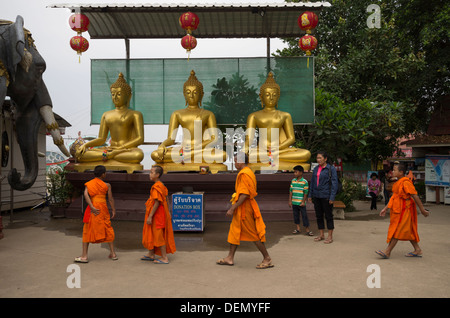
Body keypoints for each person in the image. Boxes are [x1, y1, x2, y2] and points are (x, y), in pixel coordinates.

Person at [151, 70, 227, 173]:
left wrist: (195, 147)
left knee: (222, 155)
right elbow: (171, 139)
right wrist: (162, 145)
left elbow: (214, 139)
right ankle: (185, 158)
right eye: (188, 92)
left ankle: (185, 159)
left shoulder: (208, 114)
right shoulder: (177, 114)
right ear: (184, 94)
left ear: (201, 95)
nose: (191, 96)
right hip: (183, 151)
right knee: (156, 154)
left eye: (195, 93)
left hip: (200, 150)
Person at [74, 72, 145, 173]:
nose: (115, 97)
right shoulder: (106, 114)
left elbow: (140, 139)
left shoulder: (135, 114)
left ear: (128, 96)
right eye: (113, 94)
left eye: (119, 94)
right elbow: (101, 139)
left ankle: (107, 157)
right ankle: (109, 156)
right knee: (81, 154)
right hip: (110, 149)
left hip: (125, 150)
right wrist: (86, 145)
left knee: (138, 155)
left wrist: (120, 149)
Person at [216, 153, 273, 269]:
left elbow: (245, 194)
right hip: (242, 207)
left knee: (253, 233)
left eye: (236, 161)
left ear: (241, 161)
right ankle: (229, 258)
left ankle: (267, 258)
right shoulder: (248, 172)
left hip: (245, 208)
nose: (234, 163)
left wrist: (232, 208)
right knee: (234, 231)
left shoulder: (244, 174)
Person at [245, 72, 311, 171]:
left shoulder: (285, 115)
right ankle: (271, 158)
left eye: (274, 95)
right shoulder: (254, 116)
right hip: (262, 150)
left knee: (306, 154)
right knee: (249, 156)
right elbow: (249, 140)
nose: (271, 98)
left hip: (281, 150)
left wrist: (278, 148)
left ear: (278, 97)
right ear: (261, 96)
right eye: (267, 95)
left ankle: (271, 158)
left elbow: (291, 138)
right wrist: (244, 151)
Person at [375, 162, 430, 259]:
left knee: (397, 230)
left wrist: (422, 210)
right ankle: (417, 250)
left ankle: (387, 252)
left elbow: (415, 196)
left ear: (401, 172)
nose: (392, 171)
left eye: (394, 170)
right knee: (409, 231)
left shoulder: (405, 182)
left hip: (405, 210)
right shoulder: (398, 182)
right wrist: (385, 208)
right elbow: (394, 197)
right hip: (398, 210)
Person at [75, 165, 117, 263]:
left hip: (93, 209)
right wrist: (114, 210)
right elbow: (110, 199)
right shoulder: (107, 185)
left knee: (87, 230)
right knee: (107, 228)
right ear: (103, 174)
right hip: (103, 208)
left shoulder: (89, 184)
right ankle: (113, 254)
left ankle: (84, 256)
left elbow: (86, 194)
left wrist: (92, 207)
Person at [141, 165, 176, 264]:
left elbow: (157, 202)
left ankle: (164, 258)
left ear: (157, 175)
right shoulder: (161, 185)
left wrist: (151, 216)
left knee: (158, 235)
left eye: (152, 172)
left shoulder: (157, 186)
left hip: (157, 214)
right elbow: (166, 198)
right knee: (152, 233)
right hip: (160, 212)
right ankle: (151, 253)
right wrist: (168, 211)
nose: (150, 174)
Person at [308, 151, 338, 244]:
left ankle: (330, 236)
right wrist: (310, 195)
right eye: (317, 158)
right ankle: (321, 234)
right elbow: (312, 182)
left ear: (325, 159)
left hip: (326, 195)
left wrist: (332, 197)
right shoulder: (316, 168)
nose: (318, 160)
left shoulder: (331, 169)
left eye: (320, 158)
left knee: (328, 216)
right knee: (319, 215)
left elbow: (334, 183)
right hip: (316, 195)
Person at [289, 165, 313, 236]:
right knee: (296, 215)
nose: (295, 173)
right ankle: (298, 228)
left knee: (304, 216)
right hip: (294, 202)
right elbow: (291, 191)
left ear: (301, 172)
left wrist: (303, 201)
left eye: (296, 172)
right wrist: (290, 201)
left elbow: (305, 192)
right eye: (294, 172)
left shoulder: (304, 182)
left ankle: (307, 230)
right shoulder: (293, 181)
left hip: (301, 203)